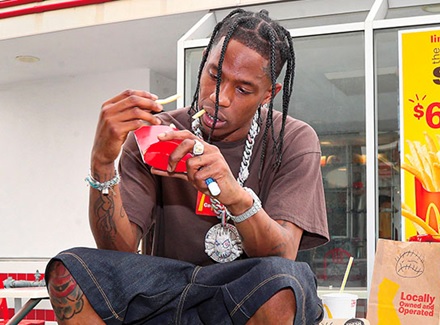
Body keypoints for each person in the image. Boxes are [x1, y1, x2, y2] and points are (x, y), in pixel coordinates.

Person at [44, 8, 329, 325]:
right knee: (69, 269)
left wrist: (234, 194)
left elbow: (282, 253)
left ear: (268, 94)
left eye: (243, 89)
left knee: (282, 281)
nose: (220, 97)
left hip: (243, 292)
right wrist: (102, 162)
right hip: (165, 292)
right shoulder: (157, 133)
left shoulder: (293, 139)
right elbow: (117, 249)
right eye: (214, 76)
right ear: (205, 60)